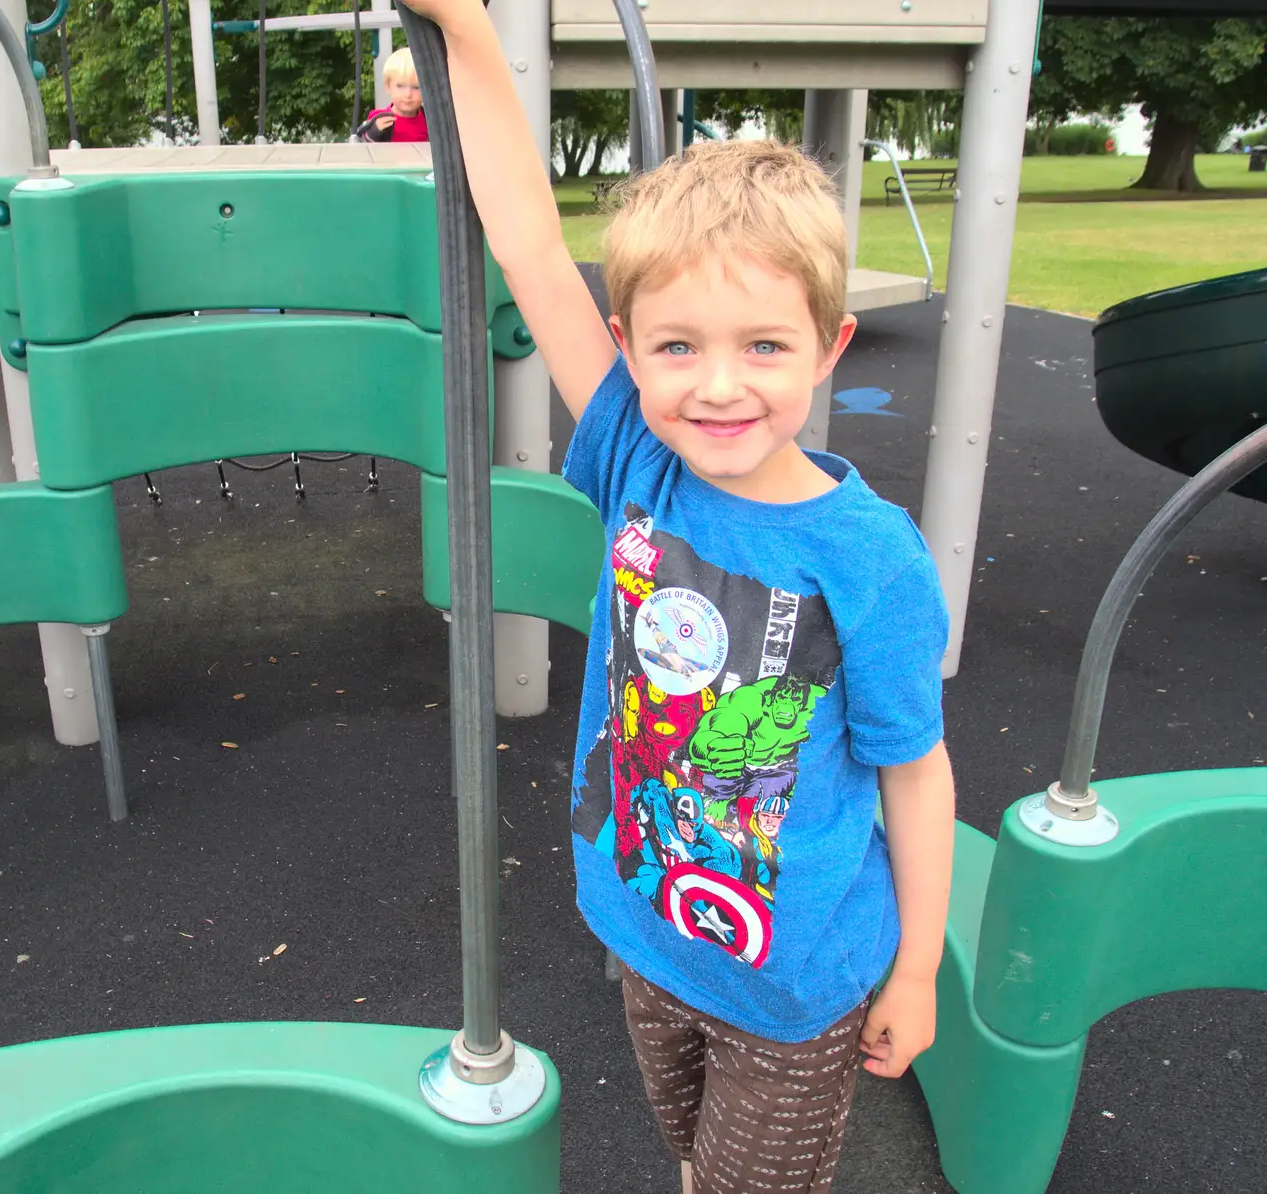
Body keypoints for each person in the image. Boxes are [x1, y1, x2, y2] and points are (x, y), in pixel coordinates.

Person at [398, 5, 958, 1192]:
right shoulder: (633, 457)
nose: (716, 387)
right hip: (645, 934)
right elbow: (530, 248)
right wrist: (465, 29)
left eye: (763, 347)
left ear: (830, 347)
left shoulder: (872, 560)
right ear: (626, 347)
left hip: (795, 985)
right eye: (676, 348)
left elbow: (913, 766)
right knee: (693, 1164)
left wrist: (912, 970)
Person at [358, 47, 428, 143]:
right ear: (388, 86)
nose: (408, 94)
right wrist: (373, 132)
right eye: (400, 86)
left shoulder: (429, 119)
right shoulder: (379, 119)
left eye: (416, 87)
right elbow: (361, 148)